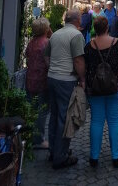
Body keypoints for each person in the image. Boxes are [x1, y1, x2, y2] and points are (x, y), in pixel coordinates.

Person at [44, 9, 85, 169]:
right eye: (80, 18)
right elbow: (78, 61)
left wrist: (52, 69)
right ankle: (60, 157)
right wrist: (82, 79)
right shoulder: (76, 35)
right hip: (66, 80)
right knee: (65, 118)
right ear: (77, 20)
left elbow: (46, 56)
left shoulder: (55, 34)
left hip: (52, 78)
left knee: (54, 116)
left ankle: (54, 151)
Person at [84, 16, 118, 168]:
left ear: (94, 29)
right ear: (107, 27)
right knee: (115, 120)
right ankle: (116, 157)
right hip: (117, 87)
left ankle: (94, 157)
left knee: (96, 121)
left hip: (94, 88)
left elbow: (86, 66)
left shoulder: (89, 46)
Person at [26, 17, 51, 148]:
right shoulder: (47, 43)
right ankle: (39, 139)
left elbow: (27, 56)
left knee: (32, 108)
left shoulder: (31, 42)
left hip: (30, 79)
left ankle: (30, 136)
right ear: (45, 29)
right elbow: (49, 62)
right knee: (42, 110)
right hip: (42, 80)